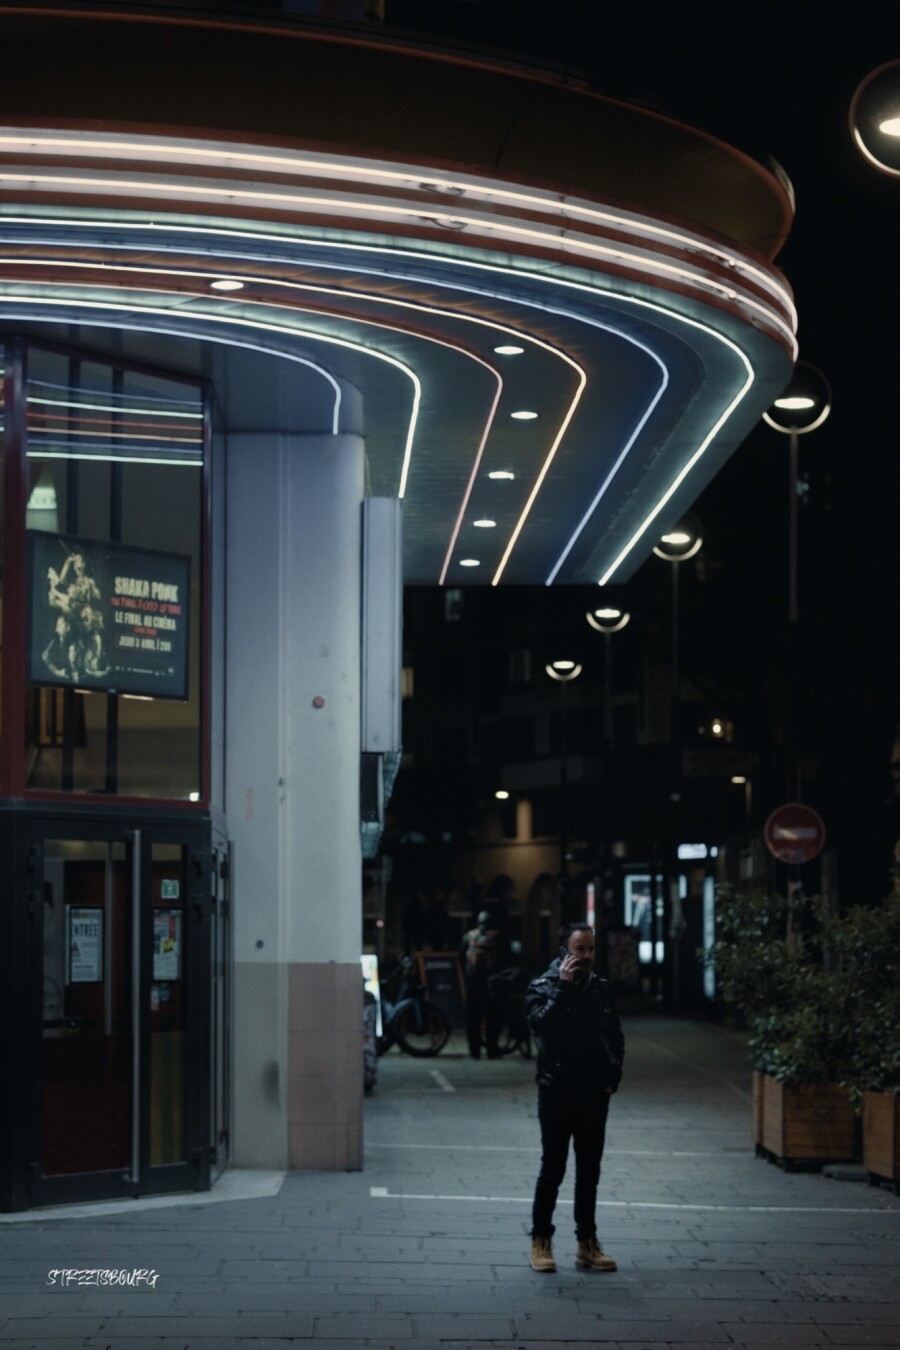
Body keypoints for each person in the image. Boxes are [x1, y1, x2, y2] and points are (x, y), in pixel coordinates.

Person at [525, 922, 624, 1274]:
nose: (585, 956)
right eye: (579, 949)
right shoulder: (542, 986)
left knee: (589, 1171)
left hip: (594, 1092)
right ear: (563, 951)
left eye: (590, 949)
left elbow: (615, 1035)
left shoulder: (601, 989)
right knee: (553, 1168)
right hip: (556, 1091)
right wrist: (563, 991)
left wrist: (612, 1076)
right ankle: (541, 1241)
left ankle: (587, 1243)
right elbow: (541, 1028)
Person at [459, 908, 505, 1059]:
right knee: (493, 1017)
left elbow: (460, 957)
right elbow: (507, 958)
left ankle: (474, 1051)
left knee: (473, 1018)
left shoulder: (469, 936)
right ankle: (492, 1049)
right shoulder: (497, 937)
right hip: (492, 982)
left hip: (473, 983)